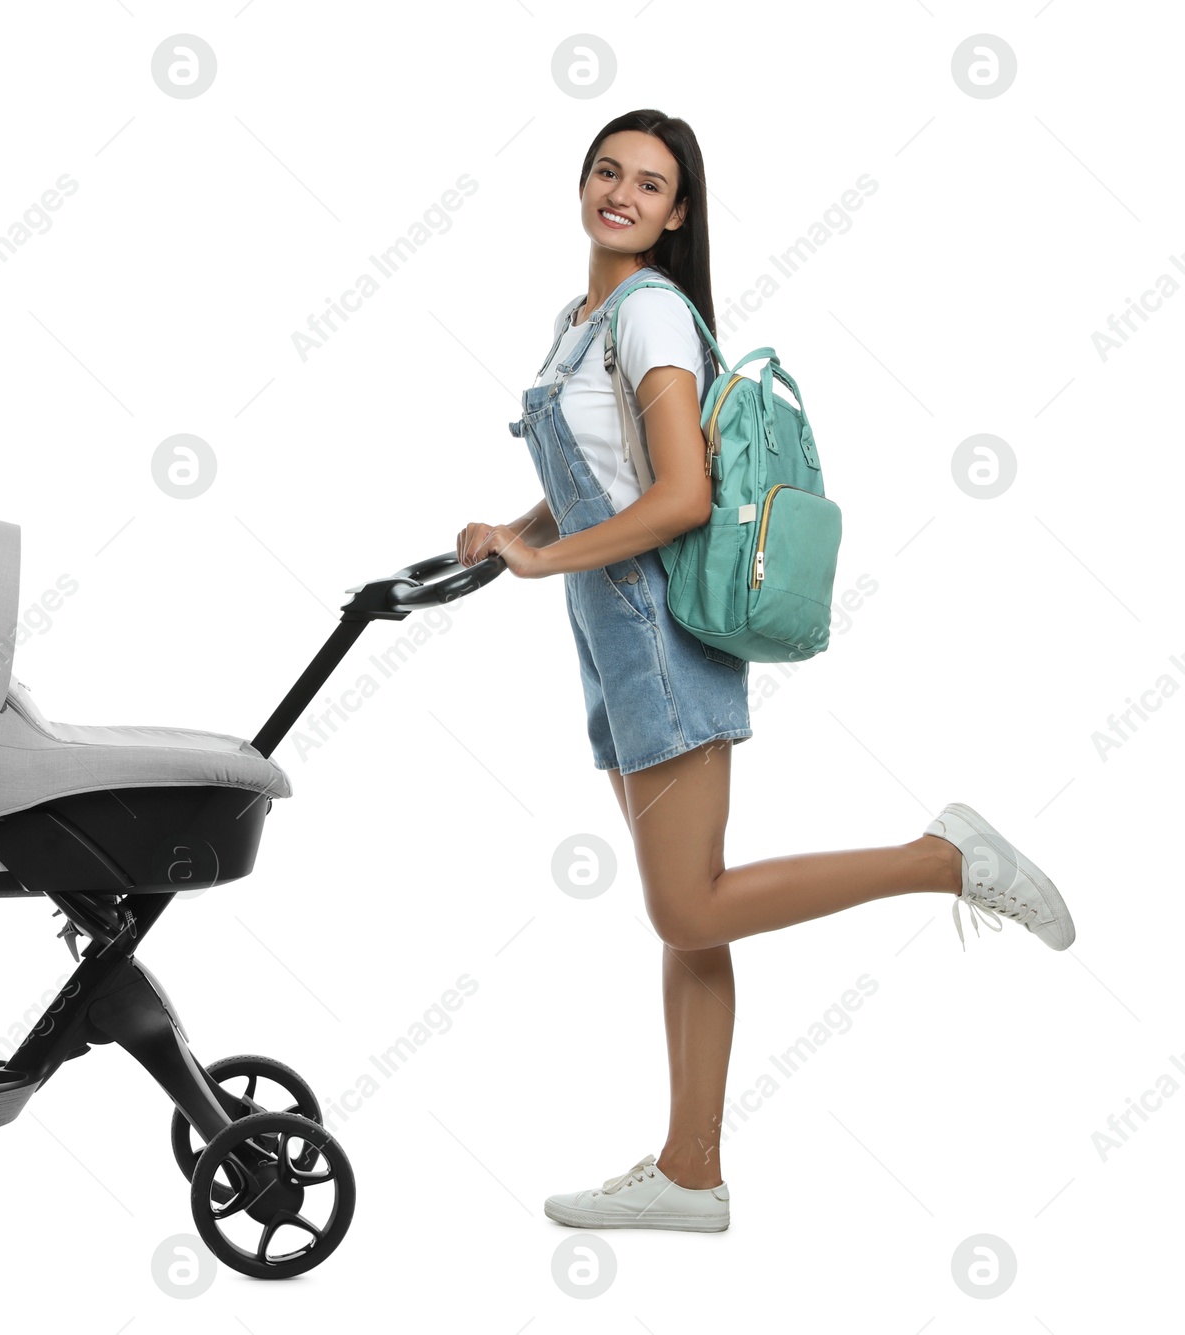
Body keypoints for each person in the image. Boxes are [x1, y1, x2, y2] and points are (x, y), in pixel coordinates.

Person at [455, 109, 1075, 1234]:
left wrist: (542, 559)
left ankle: (943, 860)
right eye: (608, 172)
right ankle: (690, 1173)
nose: (622, 195)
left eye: (650, 184)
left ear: (677, 211)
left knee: (687, 902)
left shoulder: (647, 317)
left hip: (655, 631)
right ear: (582, 183)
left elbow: (681, 496)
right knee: (689, 920)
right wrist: (510, 531)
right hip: (609, 638)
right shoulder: (578, 320)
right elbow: (608, 474)